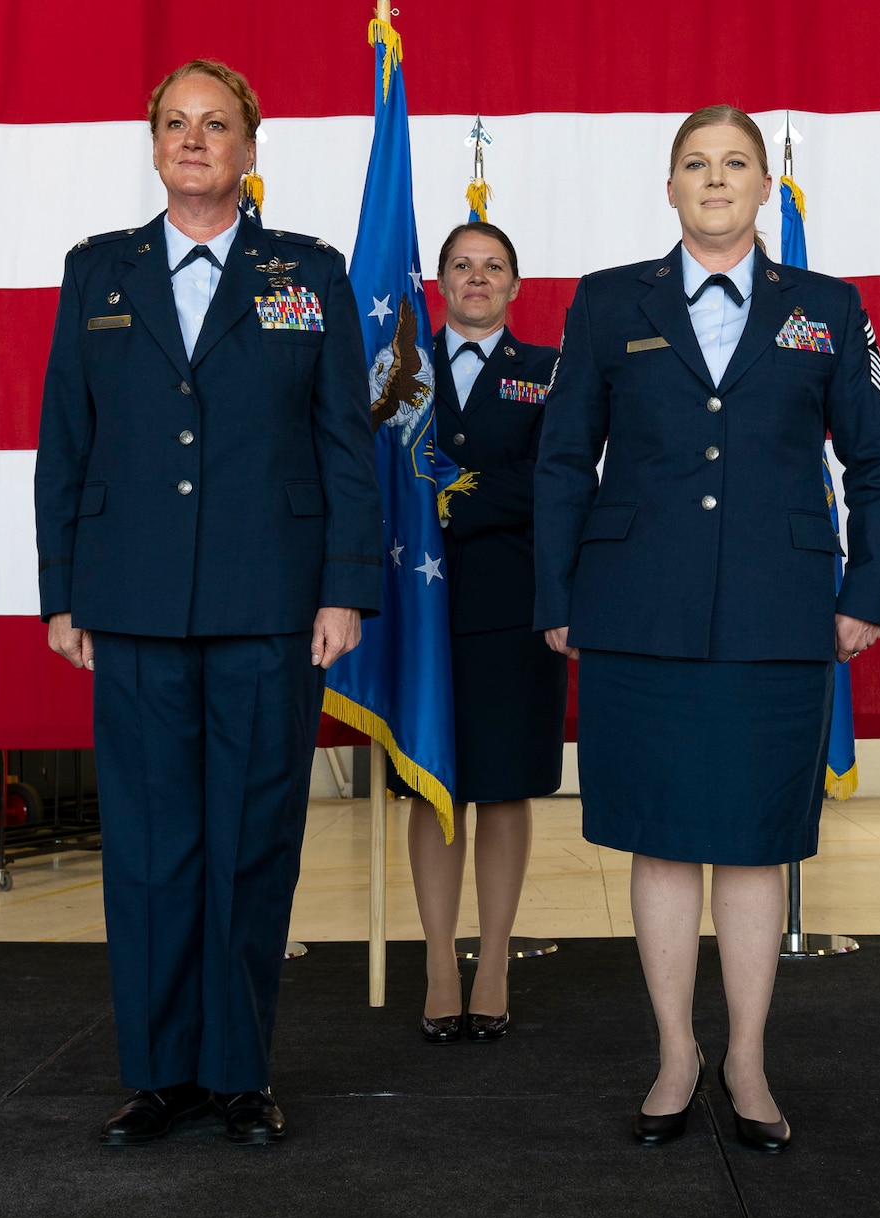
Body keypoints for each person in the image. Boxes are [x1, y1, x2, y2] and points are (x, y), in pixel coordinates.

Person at [535, 105, 880, 1152]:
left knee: (751, 846)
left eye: (733, 162)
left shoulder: (826, 307)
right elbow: (564, 457)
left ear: (759, 188)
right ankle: (674, 1052)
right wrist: (557, 598)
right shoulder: (609, 304)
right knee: (658, 839)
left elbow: (876, 461)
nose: (714, 178)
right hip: (637, 613)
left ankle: (744, 1055)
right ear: (669, 188)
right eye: (694, 164)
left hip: (775, 615)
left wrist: (865, 593)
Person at [33, 58, 381, 1147]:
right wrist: (62, 590)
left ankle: (237, 1071)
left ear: (248, 146)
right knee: (146, 848)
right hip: (130, 600)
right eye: (175, 123)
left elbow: (342, 442)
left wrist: (345, 587)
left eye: (215, 124)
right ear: (152, 144)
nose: (193, 139)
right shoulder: (98, 273)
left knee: (247, 842)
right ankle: (158, 1073)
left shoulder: (306, 273)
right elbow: (65, 442)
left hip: (268, 600)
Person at [402, 221, 565, 1043]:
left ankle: (494, 960)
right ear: (438, 280)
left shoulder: (548, 375)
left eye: (493, 265)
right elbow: (374, 471)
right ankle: (438, 962)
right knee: (433, 793)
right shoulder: (398, 372)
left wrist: (443, 500)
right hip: (421, 615)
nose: (477, 277)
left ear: (515, 285)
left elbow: (553, 482)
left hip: (513, 614)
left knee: (502, 789)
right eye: (461, 265)